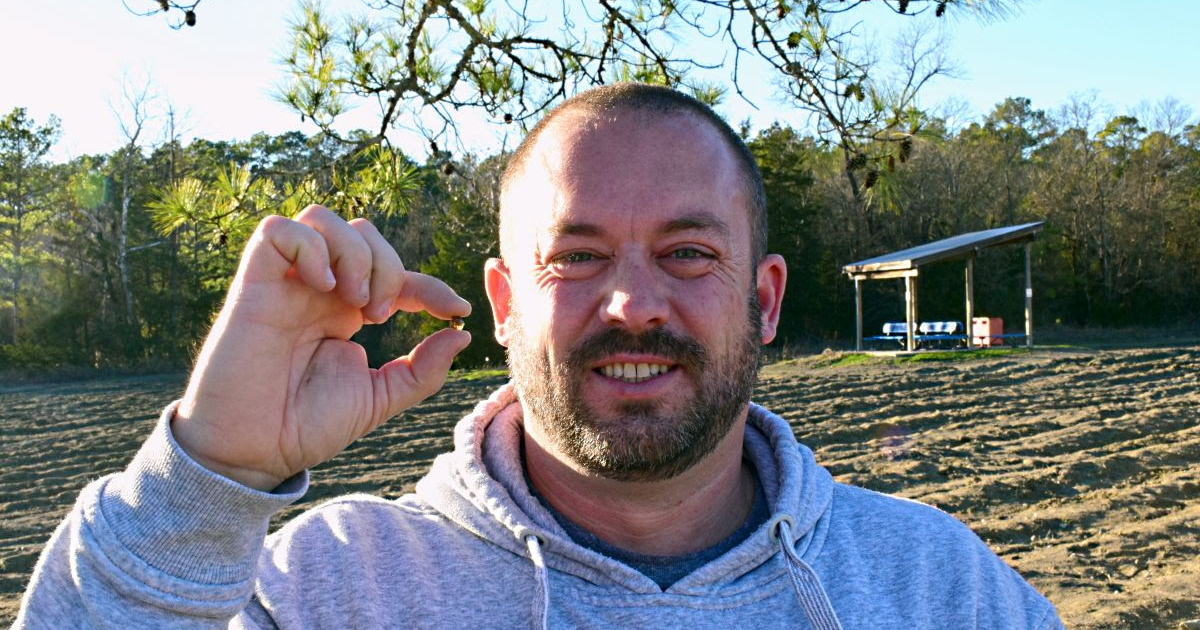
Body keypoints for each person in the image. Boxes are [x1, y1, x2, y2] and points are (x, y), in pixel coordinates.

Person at [15, 83, 1064, 630]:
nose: (633, 304)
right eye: (578, 256)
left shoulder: (936, 589)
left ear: (765, 296)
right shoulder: (327, 592)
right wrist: (215, 470)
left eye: (688, 252)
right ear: (505, 305)